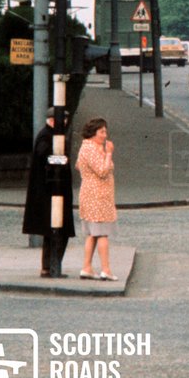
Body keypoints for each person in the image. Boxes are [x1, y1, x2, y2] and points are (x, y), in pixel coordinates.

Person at [22, 107, 75, 278]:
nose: (65, 123)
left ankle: (50, 266)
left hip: (53, 192)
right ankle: (51, 266)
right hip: (50, 193)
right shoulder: (46, 136)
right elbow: (46, 155)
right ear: (52, 120)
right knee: (56, 231)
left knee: (54, 232)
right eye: (63, 120)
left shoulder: (49, 135)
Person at [76, 117, 118, 281]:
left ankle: (87, 267)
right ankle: (106, 269)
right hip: (97, 196)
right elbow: (102, 170)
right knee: (102, 233)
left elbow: (79, 165)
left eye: (105, 131)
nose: (105, 135)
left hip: (92, 194)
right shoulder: (91, 149)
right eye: (101, 132)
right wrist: (108, 154)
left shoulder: (89, 147)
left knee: (92, 234)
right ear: (93, 134)